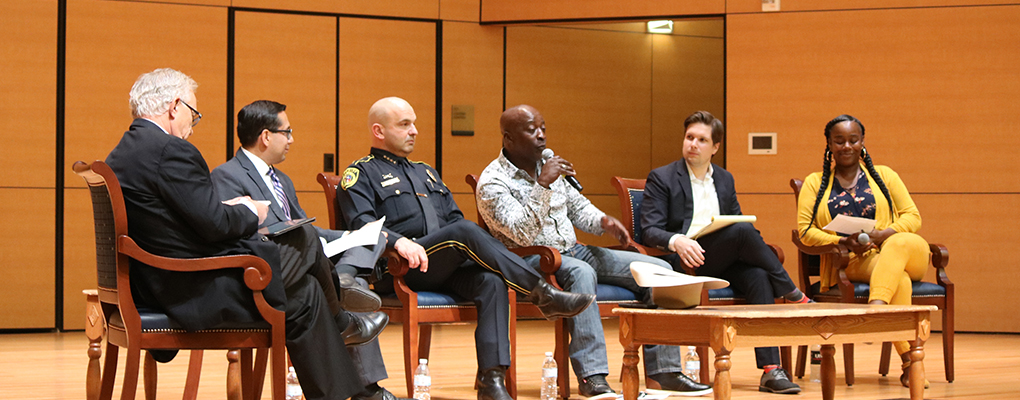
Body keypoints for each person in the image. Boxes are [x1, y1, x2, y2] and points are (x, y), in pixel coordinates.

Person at [105, 68, 383, 400]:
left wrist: (227, 206)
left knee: (306, 294)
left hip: (158, 280)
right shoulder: (170, 151)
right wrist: (250, 210)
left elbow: (190, 216)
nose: (192, 125)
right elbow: (214, 225)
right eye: (193, 114)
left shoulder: (125, 150)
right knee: (303, 238)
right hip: (191, 286)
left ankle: (343, 390)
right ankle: (340, 319)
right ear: (174, 106)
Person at [336, 97, 595, 400]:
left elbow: (454, 219)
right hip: (401, 268)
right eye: (404, 125)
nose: (414, 131)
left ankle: (491, 381)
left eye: (414, 123)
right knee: (464, 231)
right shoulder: (360, 174)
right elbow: (362, 226)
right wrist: (399, 242)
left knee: (491, 281)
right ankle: (542, 293)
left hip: (443, 264)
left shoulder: (426, 172)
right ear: (378, 131)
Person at [476, 105, 711, 398]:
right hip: (529, 262)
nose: (541, 136)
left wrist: (604, 222)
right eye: (531, 130)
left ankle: (664, 372)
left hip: (573, 250)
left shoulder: (548, 164)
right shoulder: (492, 181)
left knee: (658, 270)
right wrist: (542, 185)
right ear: (508, 139)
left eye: (543, 128)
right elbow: (519, 233)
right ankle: (592, 377)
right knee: (582, 273)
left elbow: (577, 207)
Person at [211, 100, 403, 400]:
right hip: (262, 274)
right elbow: (235, 235)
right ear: (265, 136)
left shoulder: (282, 179)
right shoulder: (227, 176)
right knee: (310, 262)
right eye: (286, 132)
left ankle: (343, 280)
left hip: (301, 265)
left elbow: (304, 228)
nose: (291, 139)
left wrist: (353, 235)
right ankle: (342, 305)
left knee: (371, 238)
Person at [640, 111, 805, 395]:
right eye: (689, 137)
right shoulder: (663, 177)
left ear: (715, 147)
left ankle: (770, 370)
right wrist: (678, 240)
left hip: (719, 259)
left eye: (702, 140)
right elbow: (649, 230)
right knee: (744, 233)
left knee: (756, 275)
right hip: (684, 261)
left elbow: (736, 224)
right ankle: (790, 289)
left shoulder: (725, 179)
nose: (693, 144)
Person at [797, 114, 931, 388]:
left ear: (862, 142)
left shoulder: (885, 175)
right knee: (898, 281)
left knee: (898, 243)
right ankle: (911, 361)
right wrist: (842, 242)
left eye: (853, 139)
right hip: (857, 261)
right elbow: (805, 232)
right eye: (839, 141)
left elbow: (912, 217)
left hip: (906, 251)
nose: (846, 146)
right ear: (829, 145)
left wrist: (883, 235)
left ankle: (876, 311)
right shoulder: (814, 182)